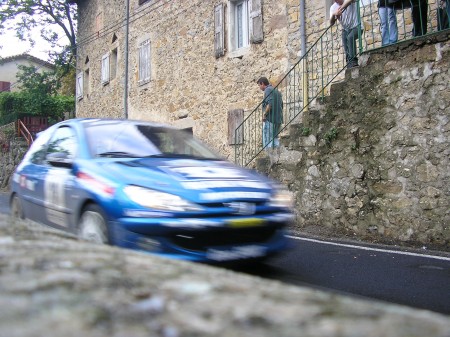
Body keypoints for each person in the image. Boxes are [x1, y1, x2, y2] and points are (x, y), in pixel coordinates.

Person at [257, 76, 283, 165]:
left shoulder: (268, 90)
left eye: (259, 86)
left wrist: (264, 115)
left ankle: (269, 160)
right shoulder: (277, 91)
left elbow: (270, 104)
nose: (260, 88)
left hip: (270, 119)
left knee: (268, 140)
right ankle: (277, 159)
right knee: (275, 139)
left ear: (262, 84)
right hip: (278, 119)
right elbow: (281, 105)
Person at [330, 0, 361, 69]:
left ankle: (354, 61)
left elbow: (350, 1)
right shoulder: (333, 7)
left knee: (350, 37)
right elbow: (331, 23)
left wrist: (341, 8)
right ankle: (349, 64)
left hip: (357, 26)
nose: (336, 1)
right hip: (346, 29)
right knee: (345, 42)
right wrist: (334, 14)